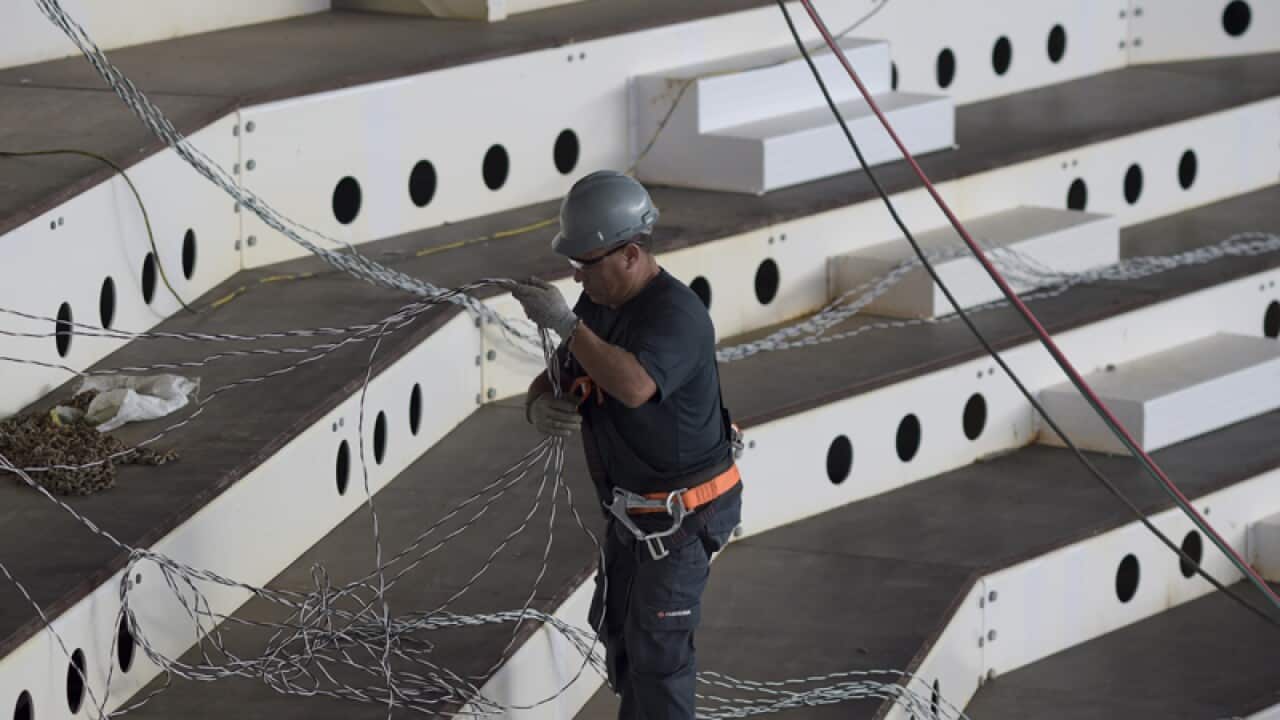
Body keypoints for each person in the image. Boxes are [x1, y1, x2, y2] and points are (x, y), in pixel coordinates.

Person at [511, 170, 743, 719]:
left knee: (659, 659)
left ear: (631, 254)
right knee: (623, 639)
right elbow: (561, 375)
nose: (577, 276)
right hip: (635, 516)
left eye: (587, 264)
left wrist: (568, 326)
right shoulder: (597, 309)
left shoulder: (677, 316)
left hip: (682, 520)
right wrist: (537, 402)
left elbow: (635, 385)